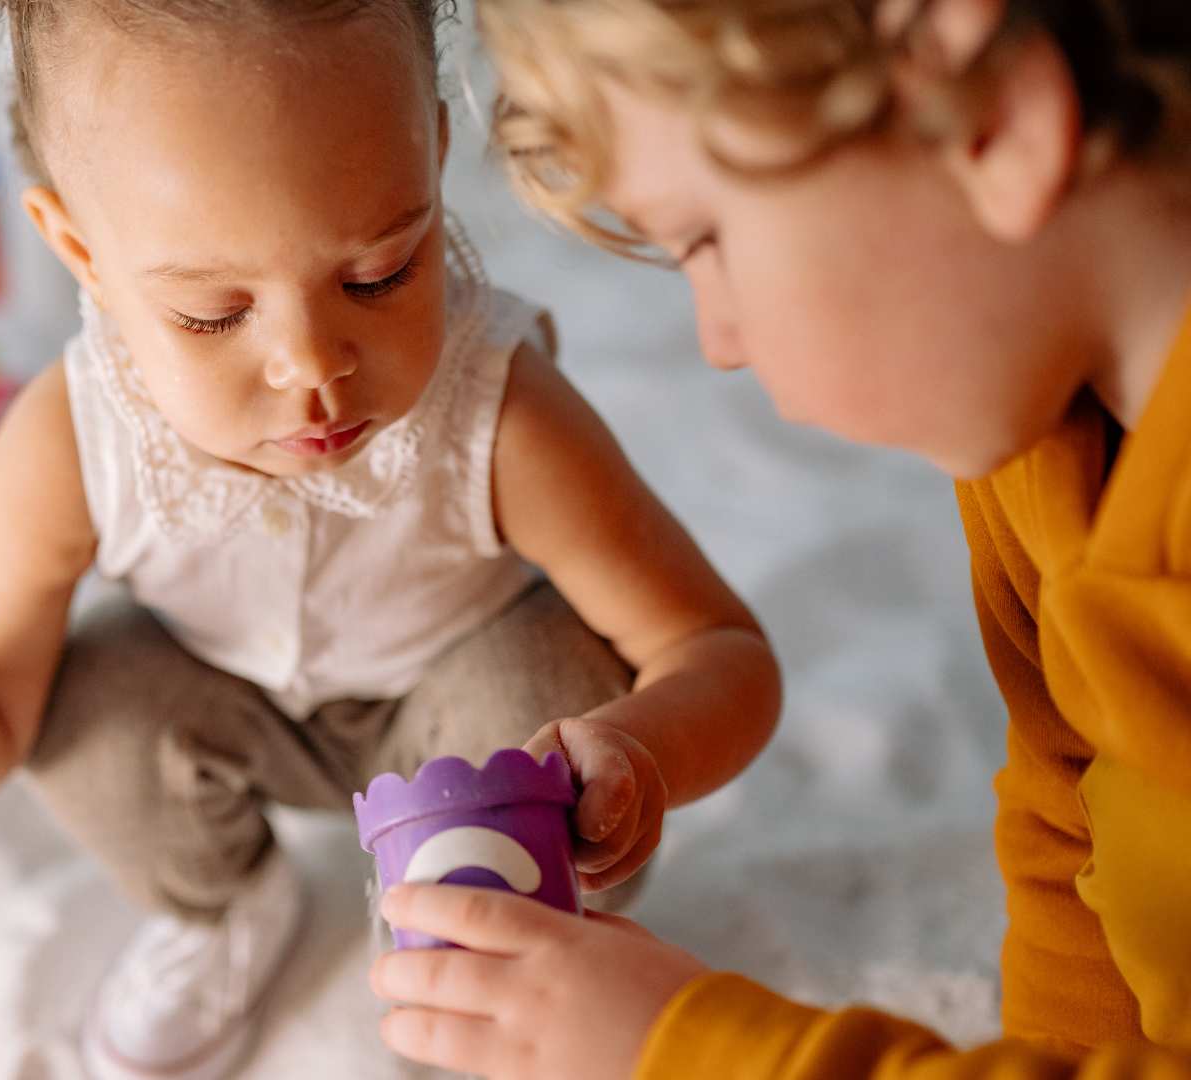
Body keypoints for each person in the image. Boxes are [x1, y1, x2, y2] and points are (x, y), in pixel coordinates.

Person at [0, 3, 779, 1078]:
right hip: (226, 713)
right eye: (213, 314)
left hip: (465, 720)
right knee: (83, 709)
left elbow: (719, 651)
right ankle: (228, 908)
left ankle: (489, 931)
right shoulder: (69, 442)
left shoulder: (505, 417)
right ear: (81, 249)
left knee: (549, 682)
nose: (312, 365)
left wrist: (640, 753)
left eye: (379, 275)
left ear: (434, 156)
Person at [370, 0, 1191, 1076]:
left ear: (989, 115)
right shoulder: (1041, 436)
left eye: (705, 239)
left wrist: (690, 1049)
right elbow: (1069, 822)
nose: (718, 342)